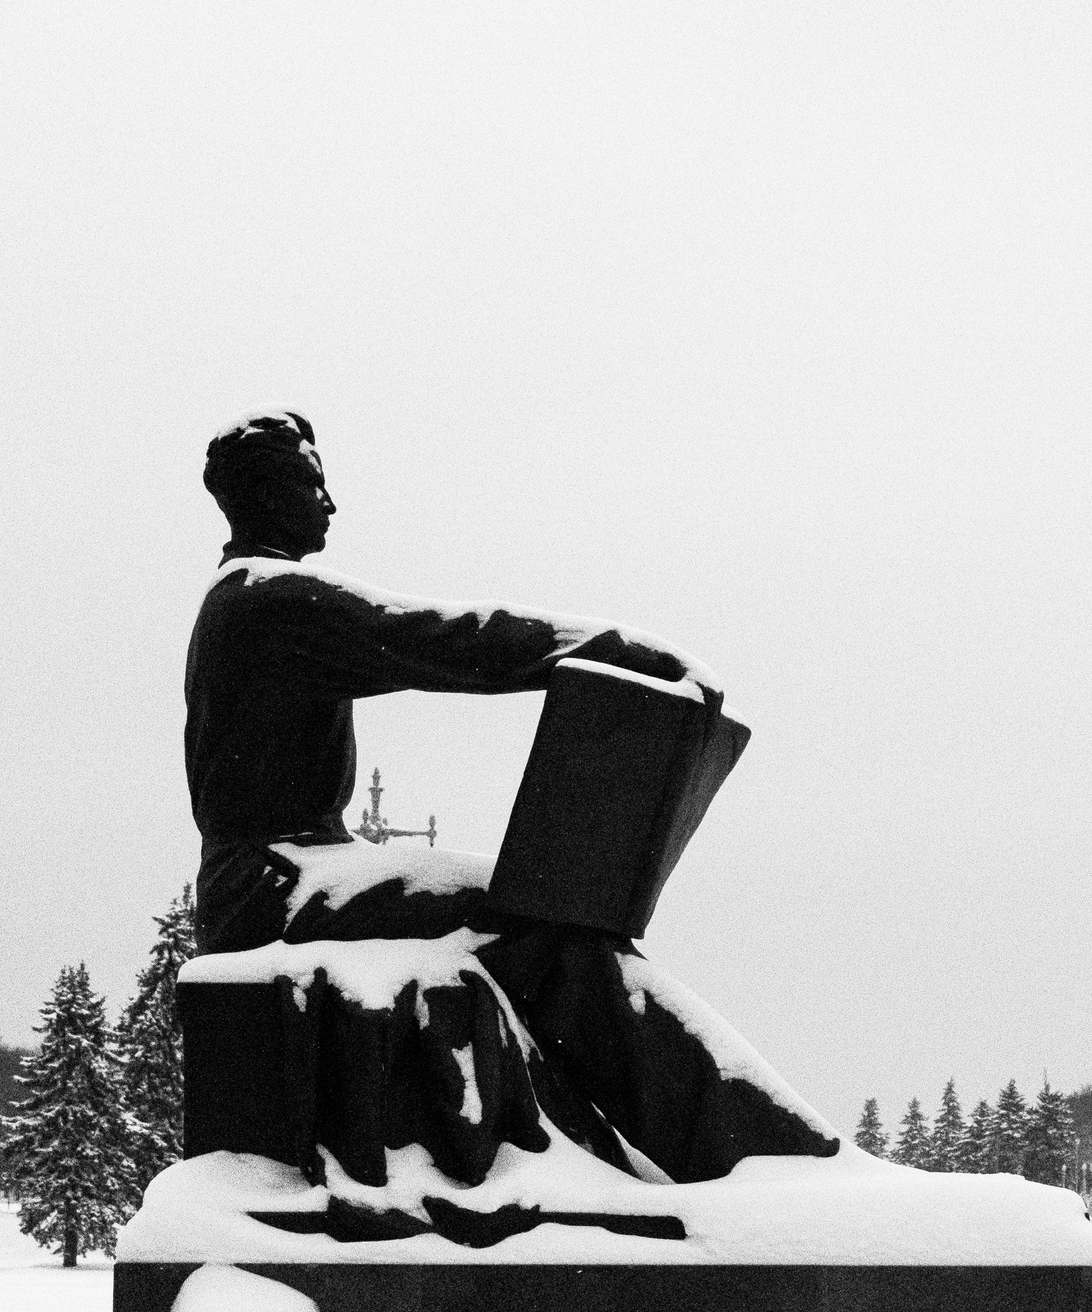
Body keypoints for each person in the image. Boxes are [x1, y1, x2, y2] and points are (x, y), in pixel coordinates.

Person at [184, 412, 838, 1190]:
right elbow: (448, 639)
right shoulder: (272, 600)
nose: (330, 504)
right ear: (261, 495)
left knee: (530, 912)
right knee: (537, 918)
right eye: (311, 483)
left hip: (282, 877)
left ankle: (698, 1144)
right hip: (274, 886)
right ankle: (752, 1154)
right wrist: (615, 650)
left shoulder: (251, 598)